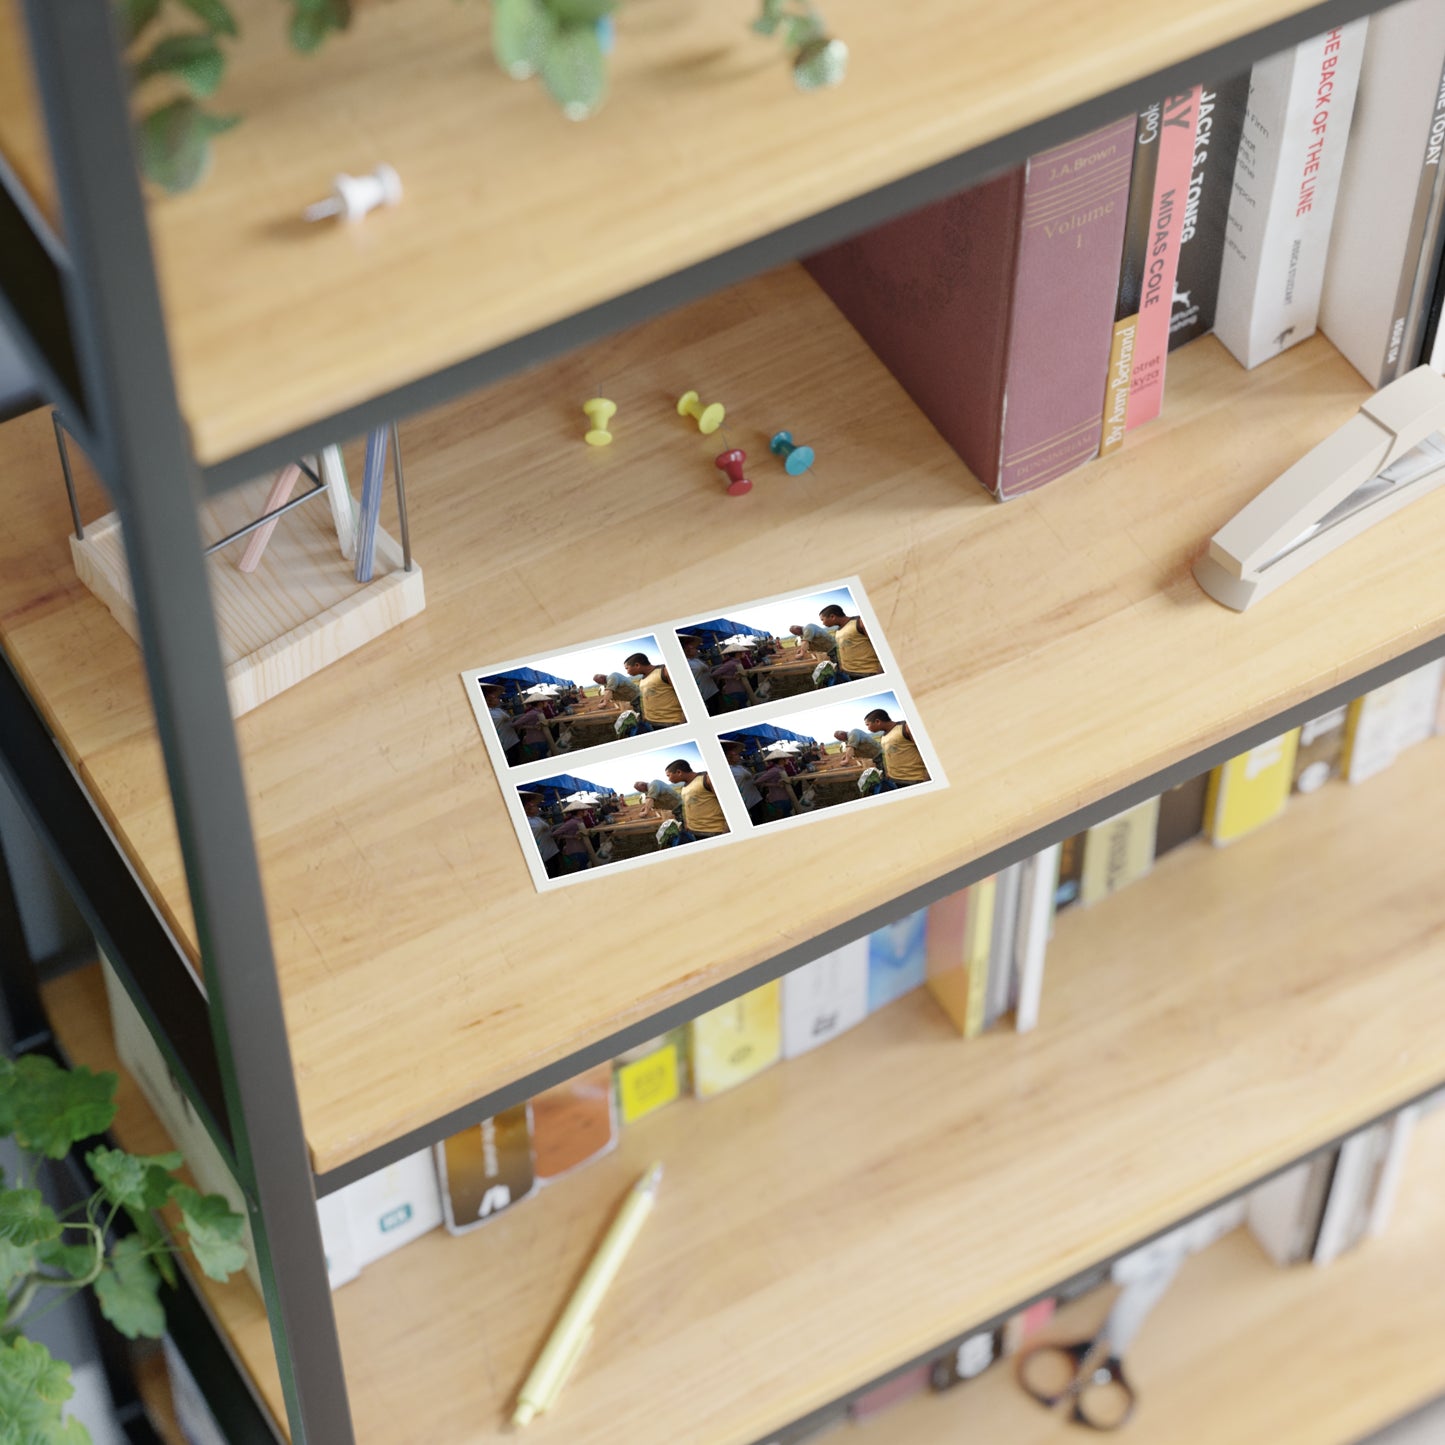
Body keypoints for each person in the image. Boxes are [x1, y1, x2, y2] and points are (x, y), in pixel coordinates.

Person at [663, 758, 730, 841]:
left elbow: (729, 804)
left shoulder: (707, 779)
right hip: (695, 831)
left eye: (668, 775)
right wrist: (687, 824)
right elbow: (686, 806)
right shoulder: (684, 787)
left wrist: (727, 830)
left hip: (714, 832)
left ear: (679, 772)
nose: (668, 779)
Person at [865, 708, 930, 787]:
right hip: (896, 779)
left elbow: (928, 751)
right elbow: (889, 755)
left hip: (915, 779)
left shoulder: (905, 728)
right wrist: (889, 772)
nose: (868, 728)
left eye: (868, 724)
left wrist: (928, 776)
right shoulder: (883, 736)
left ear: (878, 721)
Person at [819, 603, 883, 681]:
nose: (822, 623)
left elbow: (882, 646)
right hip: (850, 673)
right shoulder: (838, 630)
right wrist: (842, 665)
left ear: (832, 617)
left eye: (823, 619)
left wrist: (880, 670)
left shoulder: (860, 622)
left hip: (868, 673)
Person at [624, 652, 686, 730]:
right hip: (652, 722)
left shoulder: (664, 671)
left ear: (637, 665)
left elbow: (686, 696)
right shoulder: (642, 679)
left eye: (627, 668)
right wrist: (645, 715)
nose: (627, 672)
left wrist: (683, 721)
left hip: (671, 722)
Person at [722, 739, 767, 825]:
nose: (739, 756)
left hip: (755, 797)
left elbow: (751, 777)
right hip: (746, 802)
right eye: (736, 755)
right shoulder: (727, 770)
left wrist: (762, 775)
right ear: (728, 758)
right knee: (755, 821)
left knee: (761, 818)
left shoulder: (739, 767)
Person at [522, 792, 564, 878]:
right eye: (535, 806)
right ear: (527, 808)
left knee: (557, 868)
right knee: (551, 872)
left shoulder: (537, 818)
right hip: (542, 852)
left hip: (552, 848)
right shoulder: (525, 821)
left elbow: (548, 829)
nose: (538, 808)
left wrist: (561, 826)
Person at [483, 684, 523, 766]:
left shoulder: (498, 710)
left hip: (513, 739)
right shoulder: (485, 713)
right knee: (512, 762)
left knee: (518, 759)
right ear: (487, 700)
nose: (498, 699)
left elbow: (510, 720)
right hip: (504, 743)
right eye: (496, 698)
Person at [680, 635, 720, 709]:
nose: (696, 650)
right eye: (693, 648)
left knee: (717, 708)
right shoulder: (684, 663)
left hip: (712, 689)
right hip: (703, 694)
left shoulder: (696, 660)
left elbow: (708, 669)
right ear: (685, 650)